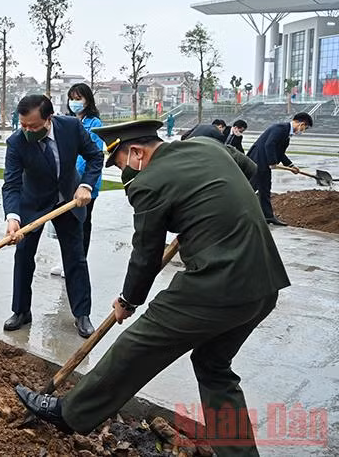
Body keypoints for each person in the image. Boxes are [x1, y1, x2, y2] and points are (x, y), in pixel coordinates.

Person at [15, 120, 290, 457]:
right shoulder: (207, 146)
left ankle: (69, 413)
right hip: (265, 282)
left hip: (215, 282)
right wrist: (204, 208)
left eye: (119, 164)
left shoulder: (148, 182)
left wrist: (128, 300)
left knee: (136, 345)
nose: (121, 172)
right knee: (213, 366)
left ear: (136, 153)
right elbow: (248, 170)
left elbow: (146, 252)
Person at [2, 94, 103, 338]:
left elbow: (95, 156)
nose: (27, 130)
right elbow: (11, 184)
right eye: (23, 125)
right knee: (24, 256)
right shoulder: (17, 142)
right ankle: (21, 311)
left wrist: (86, 186)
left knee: (75, 258)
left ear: (49, 119)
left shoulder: (70, 127)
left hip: (68, 200)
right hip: (33, 203)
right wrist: (13, 216)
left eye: (33, 126)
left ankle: (82, 314)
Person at [50, 84, 104, 277]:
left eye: (78, 98)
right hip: (67, 182)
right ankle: (66, 260)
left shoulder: (95, 124)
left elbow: (92, 155)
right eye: (72, 98)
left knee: (83, 222)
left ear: (87, 100)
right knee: (67, 223)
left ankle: (78, 261)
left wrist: (80, 180)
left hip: (85, 183)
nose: (75, 102)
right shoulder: (67, 122)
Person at [247, 112, 313, 226]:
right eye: (304, 128)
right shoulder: (280, 128)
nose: (303, 131)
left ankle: (268, 216)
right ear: (301, 123)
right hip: (258, 160)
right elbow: (269, 145)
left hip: (264, 161)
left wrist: (291, 166)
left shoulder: (286, 134)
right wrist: (272, 162)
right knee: (251, 187)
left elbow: (280, 153)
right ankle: (230, 210)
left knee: (264, 188)